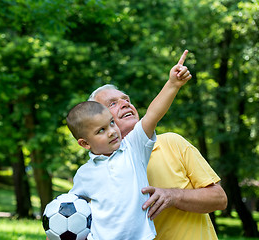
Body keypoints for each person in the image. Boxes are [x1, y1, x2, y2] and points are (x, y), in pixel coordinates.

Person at [88, 54, 227, 239]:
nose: (125, 104)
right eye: (113, 103)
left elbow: (219, 199)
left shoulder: (172, 142)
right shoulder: (96, 172)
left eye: (126, 99)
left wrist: (172, 196)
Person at [65, 51, 191, 240]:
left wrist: (172, 84)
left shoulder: (133, 149)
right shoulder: (84, 174)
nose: (112, 132)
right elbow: (70, 210)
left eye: (112, 124)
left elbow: (152, 114)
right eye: (101, 130)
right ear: (84, 143)